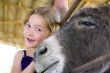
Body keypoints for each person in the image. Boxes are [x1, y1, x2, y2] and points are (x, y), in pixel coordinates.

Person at [11, 0, 68, 73]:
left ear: (50, 35)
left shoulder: (53, 60)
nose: (30, 33)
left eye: (38, 29)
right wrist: (35, 63)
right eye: (28, 25)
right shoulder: (20, 56)